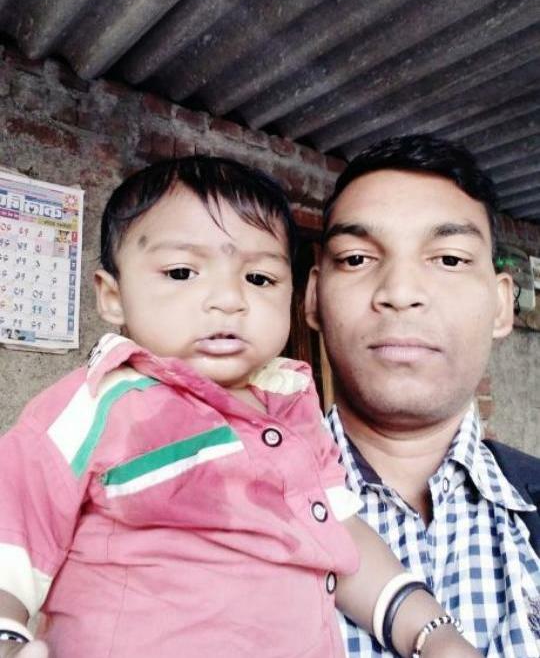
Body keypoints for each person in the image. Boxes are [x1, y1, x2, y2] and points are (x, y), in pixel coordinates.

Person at [0, 156, 481, 658]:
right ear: (113, 296)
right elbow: (13, 530)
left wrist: (431, 631)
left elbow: (341, 539)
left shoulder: (294, 414)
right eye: (182, 272)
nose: (229, 299)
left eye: (259, 278)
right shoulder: (98, 404)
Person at [305, 134, 540, 658]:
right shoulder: (220, 508)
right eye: (357, 258)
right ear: (314, 297)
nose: (400, 291)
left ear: (501, 305)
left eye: (450, 259)